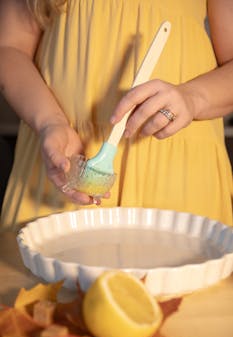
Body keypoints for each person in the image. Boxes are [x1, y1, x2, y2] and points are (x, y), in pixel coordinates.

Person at [0, 0, 232, 232]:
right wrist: (50, 122)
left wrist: (192, 98)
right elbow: (9, 48)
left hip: (180, 177)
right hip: (61, 163)